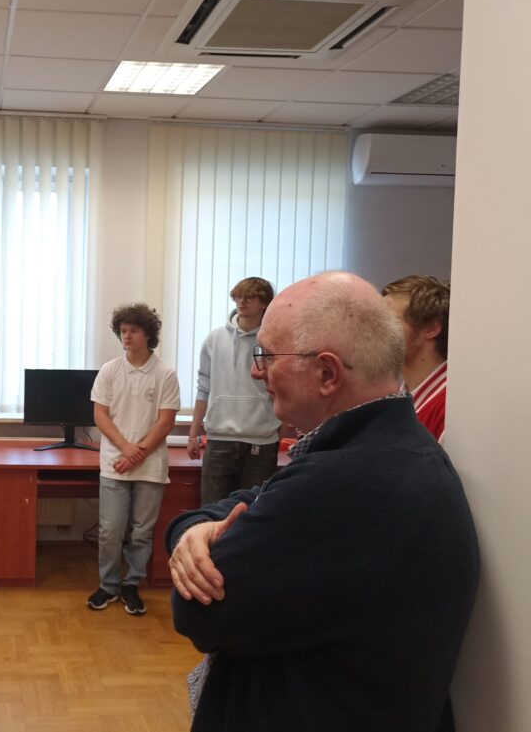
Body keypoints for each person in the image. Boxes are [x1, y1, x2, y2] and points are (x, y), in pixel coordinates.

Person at [167, 272, 478, 732]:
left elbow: (195, 610)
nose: (256, 372)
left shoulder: (352, 482)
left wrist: (191, 534)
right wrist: (193, 528)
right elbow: (258, 496)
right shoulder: (388, 451)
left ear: (328, 374)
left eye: (266, 356)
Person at [87, 303, 180, 615]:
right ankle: (109, 584)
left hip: (150, 466)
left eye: (134, 331)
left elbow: (165, 422)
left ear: (148, 334)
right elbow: (100, 415)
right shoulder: (109, 370)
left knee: (141, 531)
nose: (127, 336)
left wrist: (137, 453)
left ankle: (131, 584)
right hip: (114, 464)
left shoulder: (165, 373)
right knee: (110, 530)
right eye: (123, 331)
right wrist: (126, 448)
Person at [187, 277, 282, 505]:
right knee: (211, 510)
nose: (241, 301)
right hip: (219, 438)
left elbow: (282, 389)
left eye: (249, 297)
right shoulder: (215, 339)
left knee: (252, 510)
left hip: (261, 440)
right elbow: (203, 387)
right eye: (238, 297)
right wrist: (192, 434)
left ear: (264, 303)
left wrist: (279, 433)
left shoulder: (274, 342)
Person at [382, 275, 450, 440]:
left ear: (431, 328)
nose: (374, 331)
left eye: (387, 320)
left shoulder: (449, 409)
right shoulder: (396, 400)